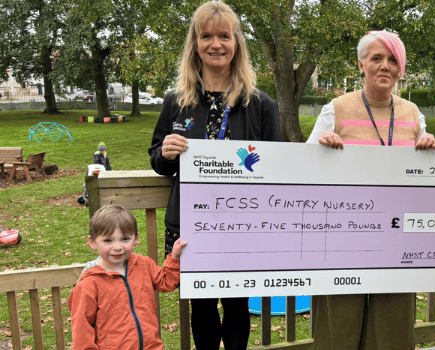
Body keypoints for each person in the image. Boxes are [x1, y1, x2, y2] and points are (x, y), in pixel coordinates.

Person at [148, 1, 281, 349]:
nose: (216, 44)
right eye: (206, 36)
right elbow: (157, 159)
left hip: (244, 220)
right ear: (195, 43)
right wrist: (164, 153)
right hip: (191, 221)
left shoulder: (261, 104)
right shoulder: (176, 101)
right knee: (202, 302)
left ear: (236, 43)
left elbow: (278, 165)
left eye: (224, 36)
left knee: (238, 303)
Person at [306, 30, 435, 349]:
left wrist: (431, 146)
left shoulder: (413, 114)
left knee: (393, 325)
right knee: (339, 325)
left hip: (397, 238)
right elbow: (304, 168)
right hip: (343, 237)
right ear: (361, 64)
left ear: (400, 69)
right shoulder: (334, 110)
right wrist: (320, 149)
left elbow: (428, 174)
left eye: (393, 60)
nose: (384, 66)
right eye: (376, 58)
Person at [68, 205, 187, 350]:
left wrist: (174, 257)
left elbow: (166, 282)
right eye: (108, 241)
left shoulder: (144, 265)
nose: (117, 247)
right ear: (92, 242)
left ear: (135, 238)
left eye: (125, 239)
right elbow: (82, 332)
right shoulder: (88, 284)